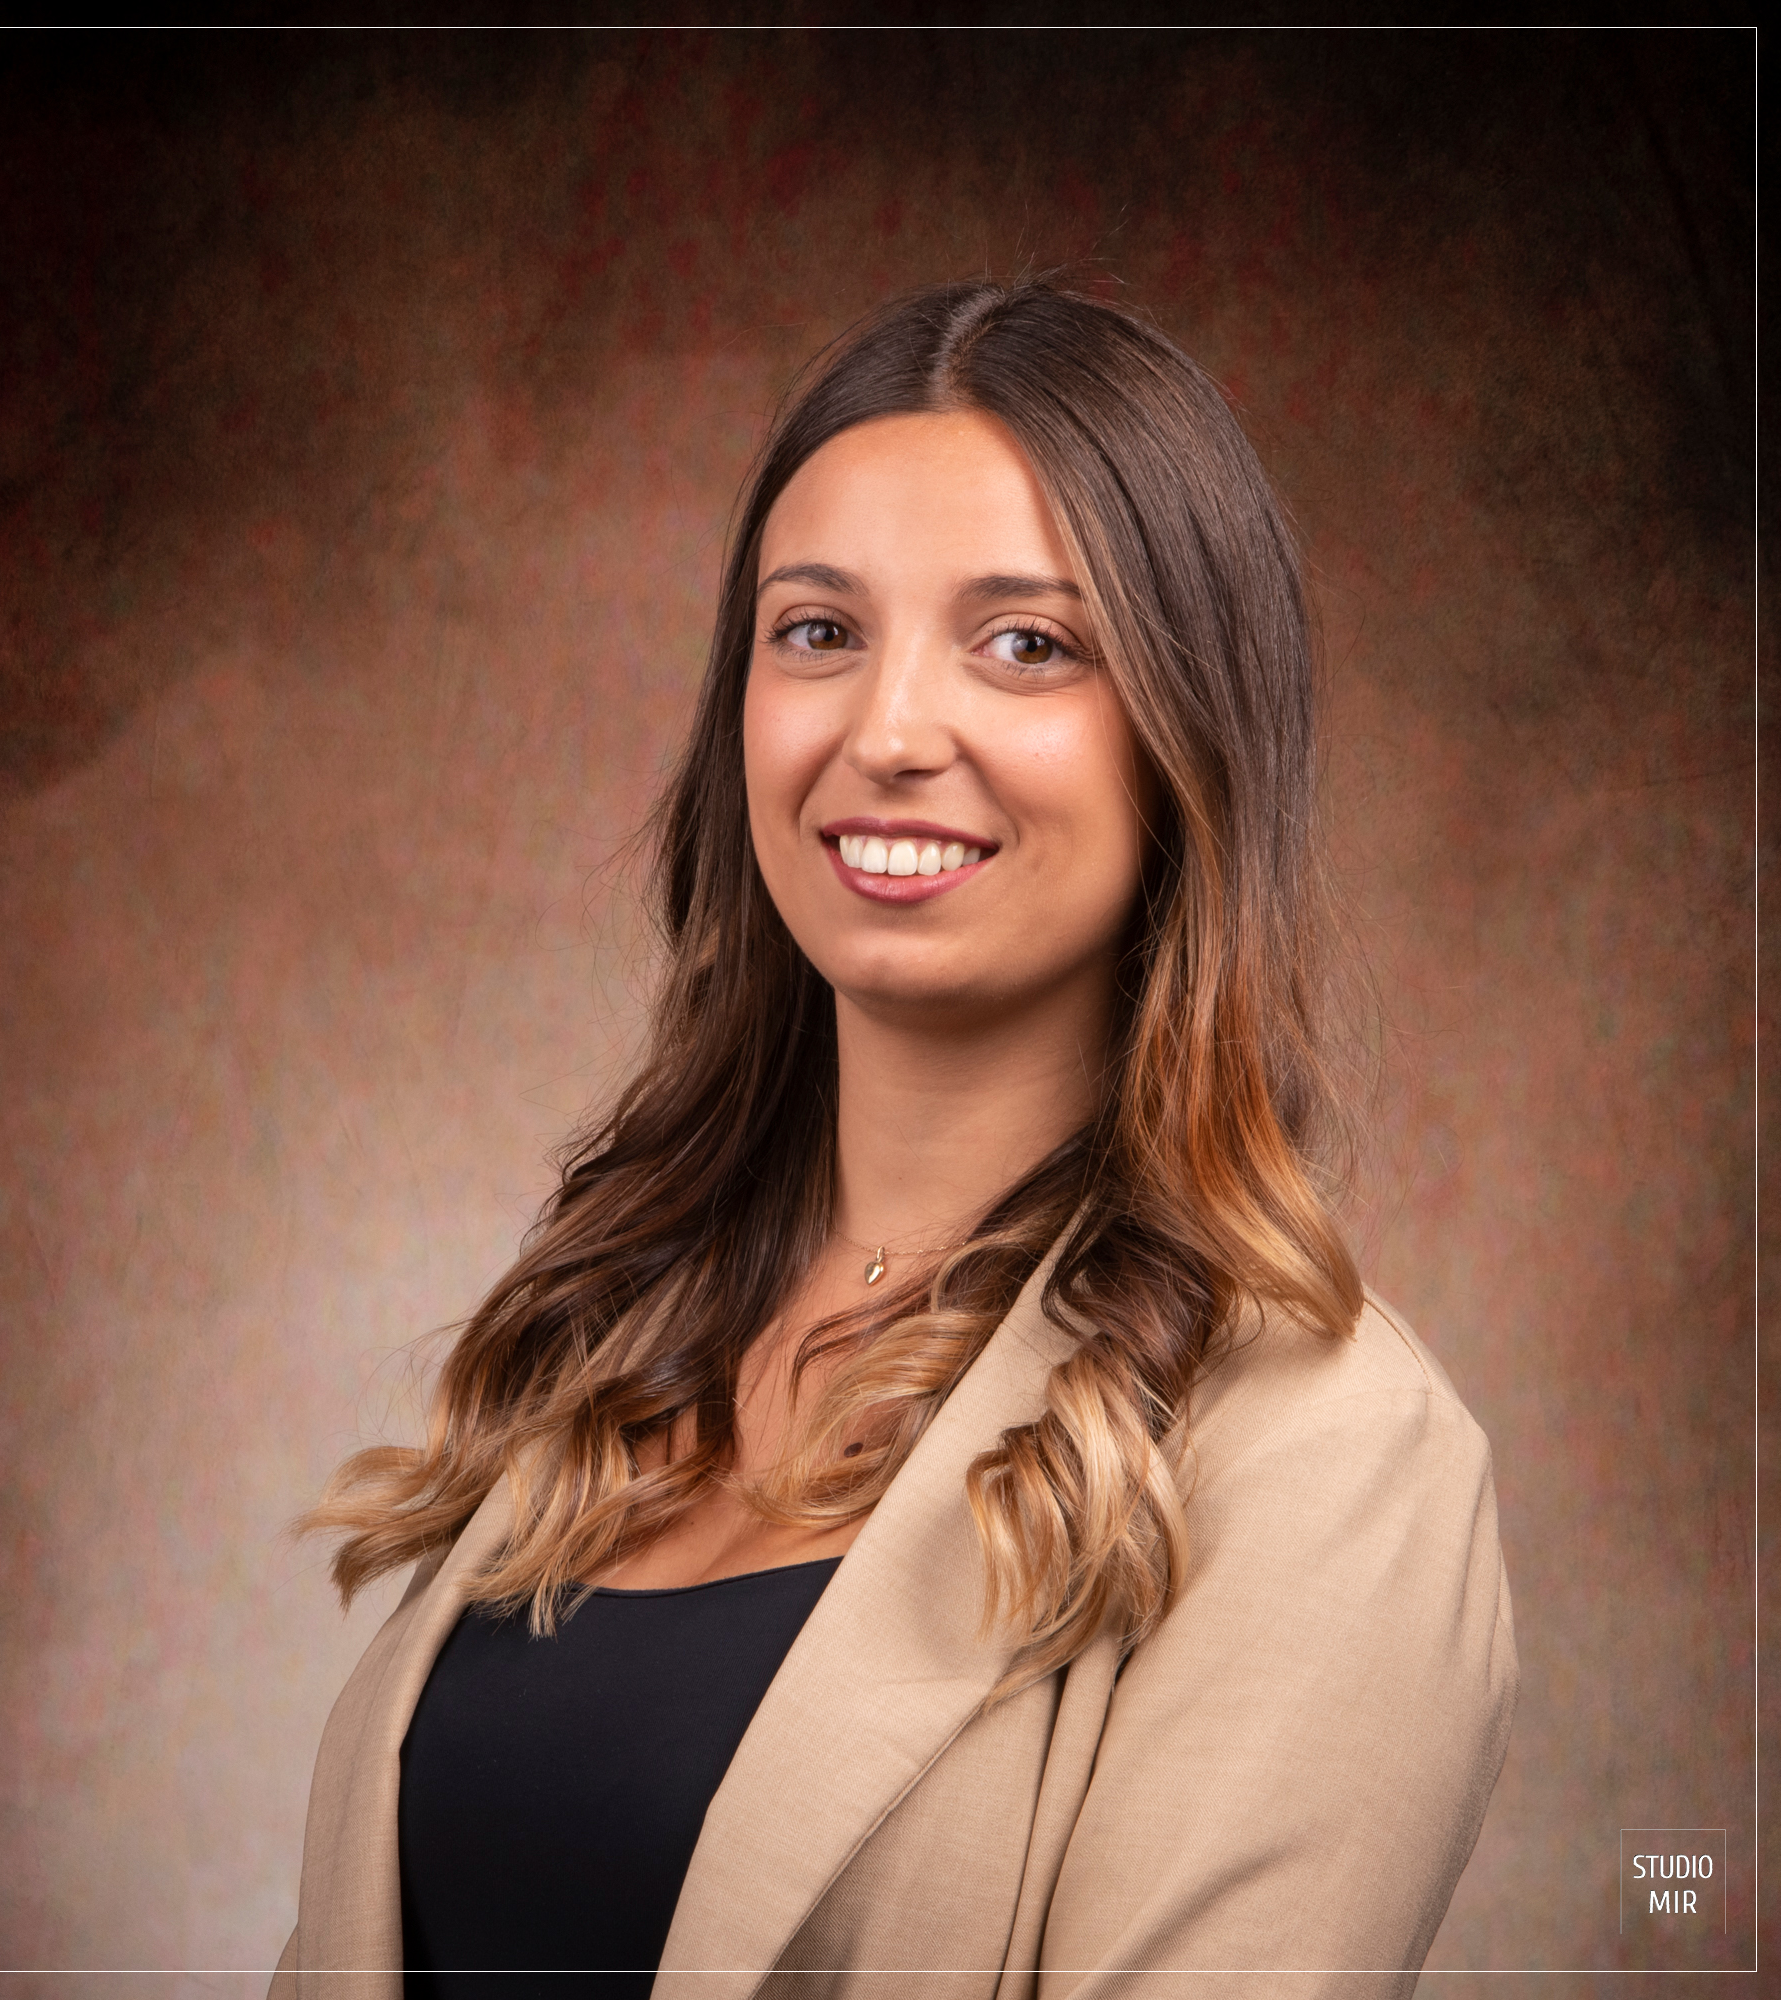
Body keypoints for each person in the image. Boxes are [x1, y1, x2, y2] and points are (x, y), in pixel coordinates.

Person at [270, 278, 1517, 2000]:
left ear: (1189, 739)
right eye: (818, 630)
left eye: (1027, 643)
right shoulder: (611, 1341)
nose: (888, 732)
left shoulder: (1327, 1457)